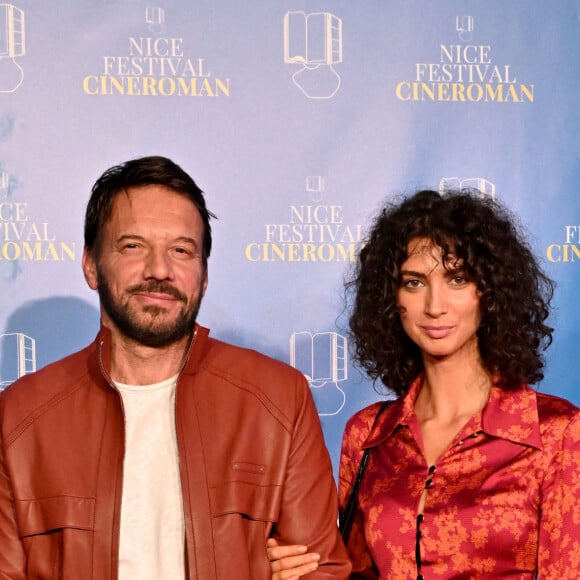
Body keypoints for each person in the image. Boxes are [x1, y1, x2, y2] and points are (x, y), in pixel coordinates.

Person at [0, 155, 351, 579]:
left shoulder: (279, 398)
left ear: (203, 275)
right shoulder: (18, 416)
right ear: (91, 264)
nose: (160, 270)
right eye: (133, 246)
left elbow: (320, 570)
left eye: (182, 251)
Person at [268, 189, 580, 579]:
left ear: (490, 291)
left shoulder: (555, 431)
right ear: (391, 297)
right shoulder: (368, 433)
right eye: (414, 282)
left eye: (457, 279)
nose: (435, 306)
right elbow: (355, 572)